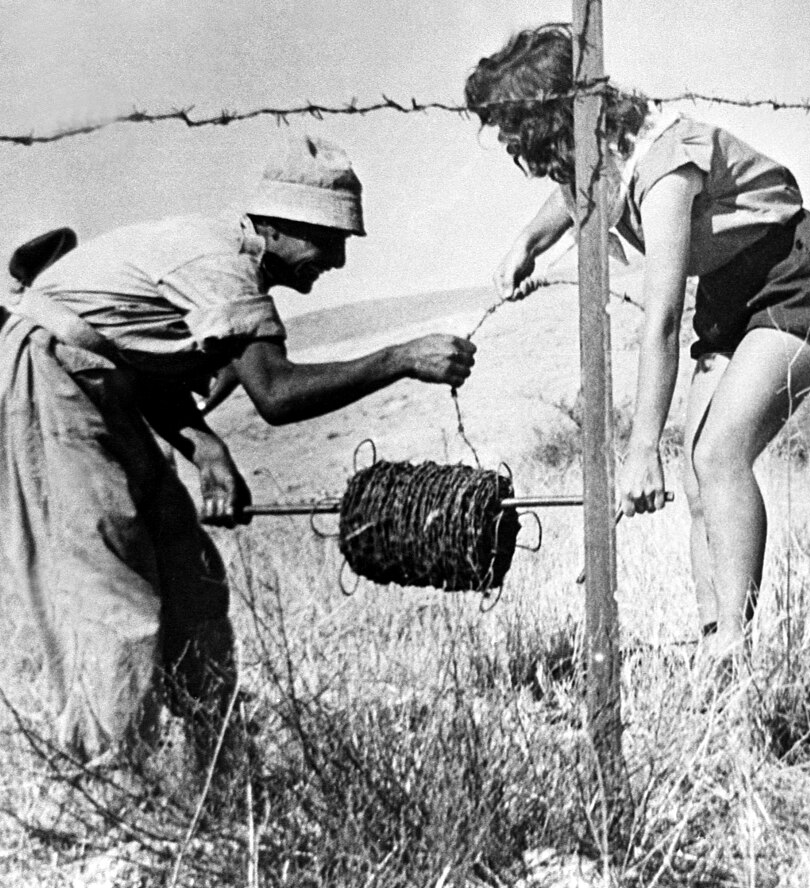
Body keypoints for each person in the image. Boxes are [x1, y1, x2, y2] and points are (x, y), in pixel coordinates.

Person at [0, 135, 476, 772]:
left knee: (190, 577)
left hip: (100, 385)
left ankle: (219, 779)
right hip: (50, 382)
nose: (334, 260)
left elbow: (135, 361)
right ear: (276, 228)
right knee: (110, 593)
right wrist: (399, 358)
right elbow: (276, 395)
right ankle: (112, 794)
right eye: (326, 240)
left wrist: (207, 450)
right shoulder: (222, 266)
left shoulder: (227, 269)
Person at [466, 25, 810, 666]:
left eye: (517, 133)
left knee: (720, 452)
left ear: (547, 121)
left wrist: (641, 447)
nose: (515, 148)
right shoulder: (609, 147)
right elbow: (579, 188)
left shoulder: (664, 165)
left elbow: (662, 319)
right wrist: (528, 241)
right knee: (699, 474)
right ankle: (716, 643)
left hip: (795, 277)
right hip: (732, 292)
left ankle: (738, 650)